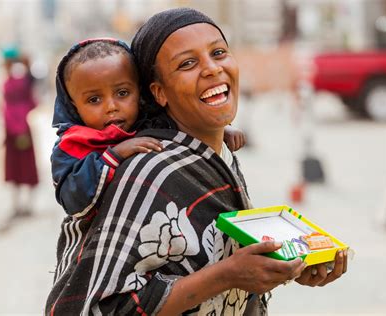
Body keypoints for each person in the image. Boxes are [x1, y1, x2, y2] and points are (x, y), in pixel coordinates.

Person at [45, 8, 347, 315]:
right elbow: (95, 308)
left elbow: (214, 256)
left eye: (218, 52)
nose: (212, 69)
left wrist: (292, 265)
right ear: (158, 92)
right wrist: (226, 275)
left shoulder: (217, 152)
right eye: (187, 63)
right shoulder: (149, 169)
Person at [51, 38, 245, 217]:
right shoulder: (71, 146)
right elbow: (72, 198)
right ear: (74, 105)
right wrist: (114, 156)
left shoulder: (148, 121)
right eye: (94, 99)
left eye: (122, 93)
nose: (111, 107)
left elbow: (180, 127)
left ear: (140, 92)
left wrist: (216, 131)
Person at [2, 47, 39, 218]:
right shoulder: (22, 80)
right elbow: (33, 103)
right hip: (21, 130)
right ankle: (23, 205)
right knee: (24, 169)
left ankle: (20, 205)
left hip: (15, 131)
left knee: (17, 169)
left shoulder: (10, 82)